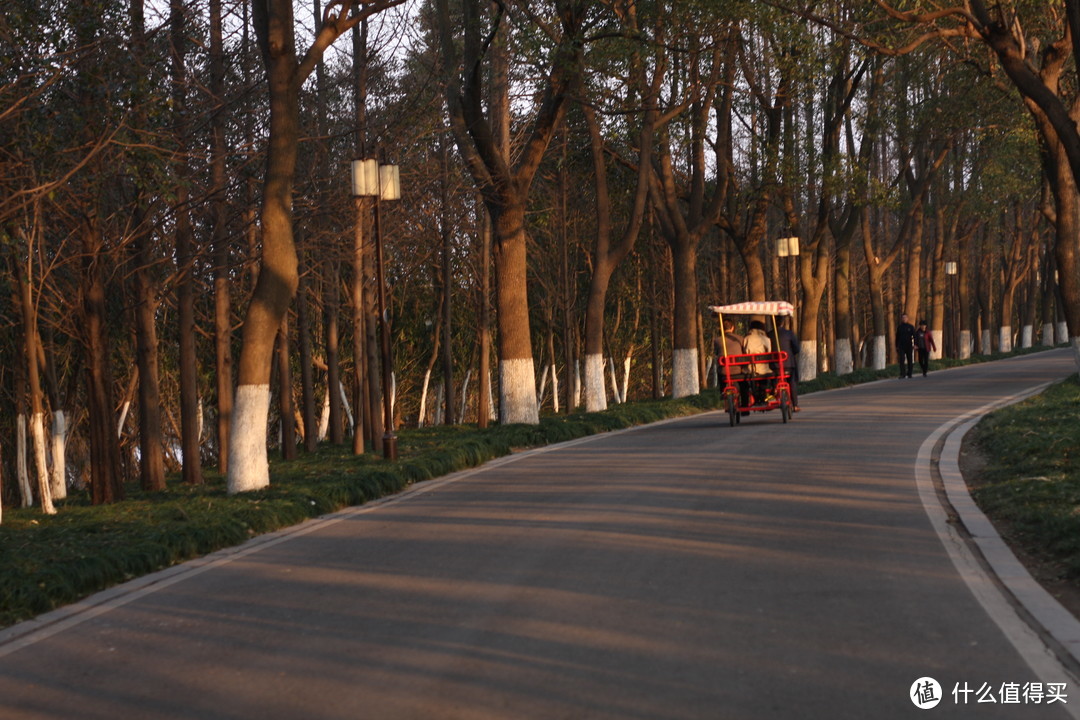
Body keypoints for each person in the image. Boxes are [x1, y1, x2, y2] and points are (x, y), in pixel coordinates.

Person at [714, 317, 749, 409]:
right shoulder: (740, 339)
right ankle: (745, 406)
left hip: (724, 371)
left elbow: (716, 353)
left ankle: (722, 390)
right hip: (738, 370)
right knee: (744, 385)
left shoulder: (717, 340)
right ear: (732, 327)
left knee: (719, 370)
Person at [771, 315, 801, 411]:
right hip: (788, 366)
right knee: (792, 382)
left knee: (774, 376)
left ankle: (774, 388)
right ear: (783, 323)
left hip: (774, 367)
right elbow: (796, 349)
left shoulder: (769, 334)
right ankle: (795, 405)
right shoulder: (789, 334)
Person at [743, 319, 773, 403]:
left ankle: (754, 396)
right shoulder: (765, 339)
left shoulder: (746, 338)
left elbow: (745, 351)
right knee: (766, 374)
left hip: (750, 368)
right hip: (763, 368)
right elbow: (769, 352)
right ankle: (765, 394)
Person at [896, 313, 916, 379]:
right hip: (901, 346)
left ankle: (909, 373)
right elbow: (897, 337)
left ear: (907, 319)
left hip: (909, 345)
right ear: (901, 319)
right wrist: (896, 346)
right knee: (902, 360)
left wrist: (915, 344)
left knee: (910, 359)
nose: (904, 319)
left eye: (905, 318)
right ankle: (902, 374)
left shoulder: (910, 327)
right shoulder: (899, 327)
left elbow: (915, 336)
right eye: (903, 318)